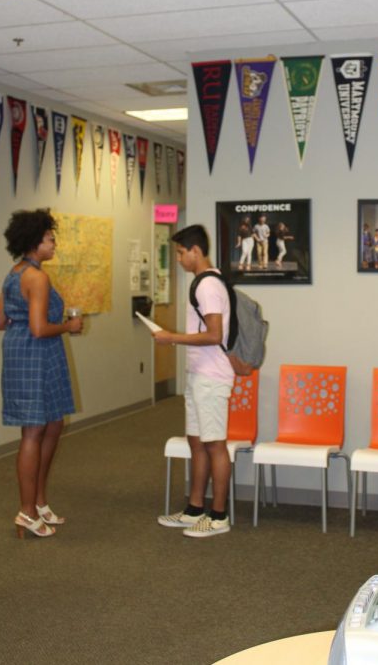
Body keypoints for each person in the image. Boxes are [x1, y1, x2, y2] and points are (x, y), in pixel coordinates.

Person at [0, 209, 83, 539]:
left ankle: (39, 501)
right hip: (37, 354)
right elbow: (40, 327)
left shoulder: (14, 274)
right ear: (34, 242)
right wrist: (69, 326)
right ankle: (26, 512)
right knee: (33, 432)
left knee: (53, 422)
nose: (54, 243)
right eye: (49, 238)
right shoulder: (37, 277)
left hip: (21, 352)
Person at [155, 224, 233, 538]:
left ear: (195, 251)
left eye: (180, 252)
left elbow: (215, 335)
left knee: (214, 444)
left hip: (212, 376)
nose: (178, 259)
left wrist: (172, 337)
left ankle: (219, 515)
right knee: (197, 442)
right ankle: (194, 509)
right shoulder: (201, 282)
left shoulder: (207, 286)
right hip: (199, 374)